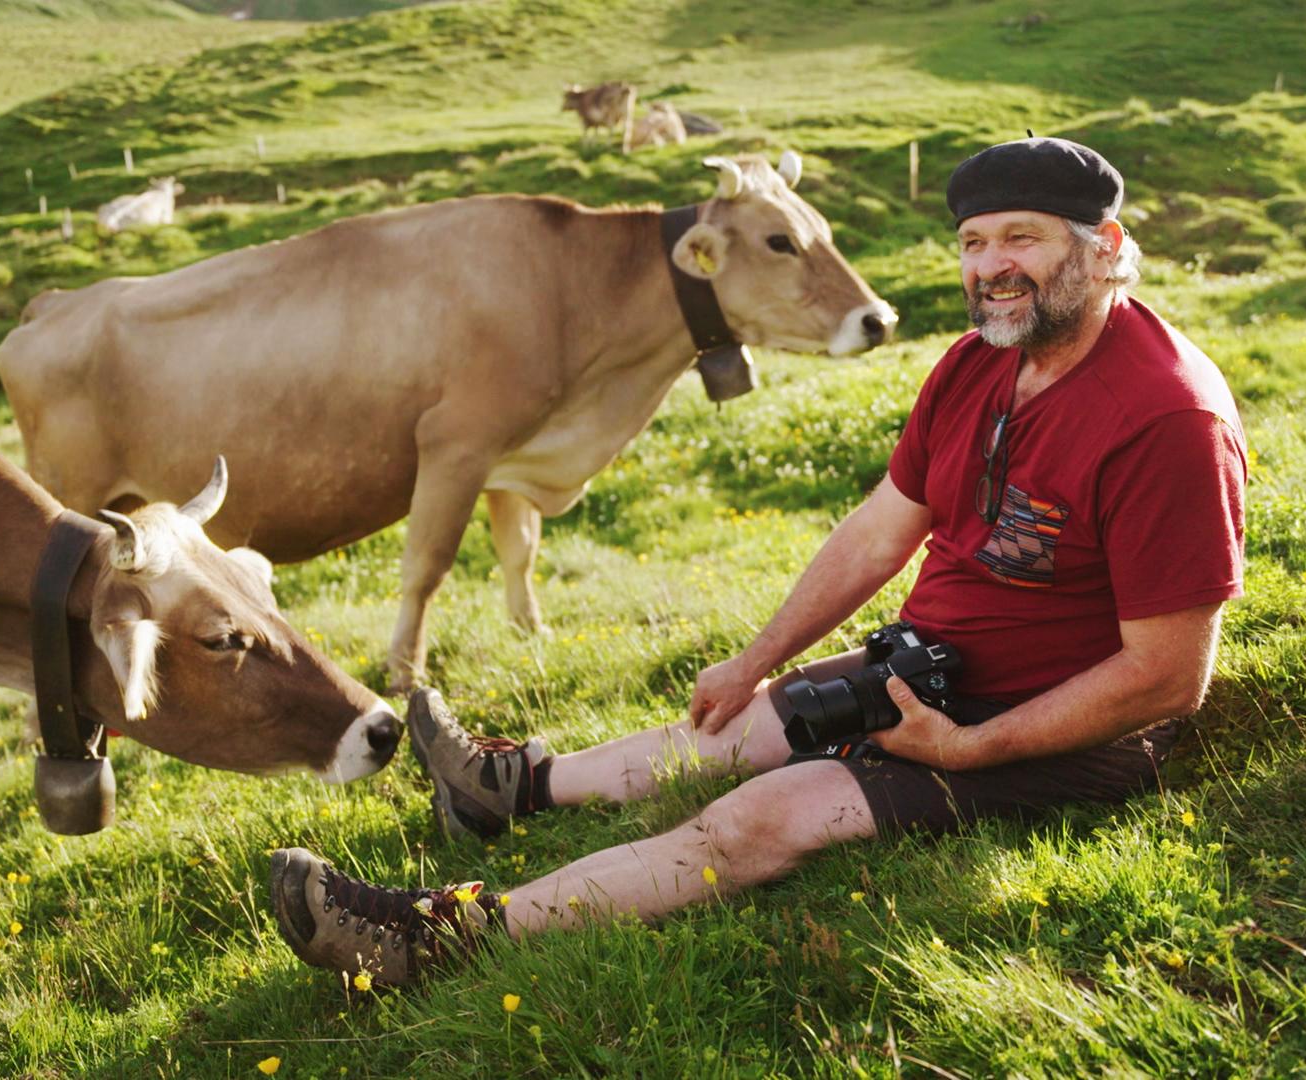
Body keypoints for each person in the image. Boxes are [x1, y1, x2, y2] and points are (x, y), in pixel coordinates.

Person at [269, 136, 1248, 986]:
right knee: (733, 725)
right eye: (973, 242)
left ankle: (430, 934)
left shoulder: (1166, 418)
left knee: (756, 819)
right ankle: (508, 787)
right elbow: (878, 531)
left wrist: (975, 750)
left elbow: (1166, 676)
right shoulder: (981, 360)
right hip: (928, 669)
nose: (990, 266)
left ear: (1106, 248)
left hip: (1059, 731)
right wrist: (754, 661)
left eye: (1021, 238)